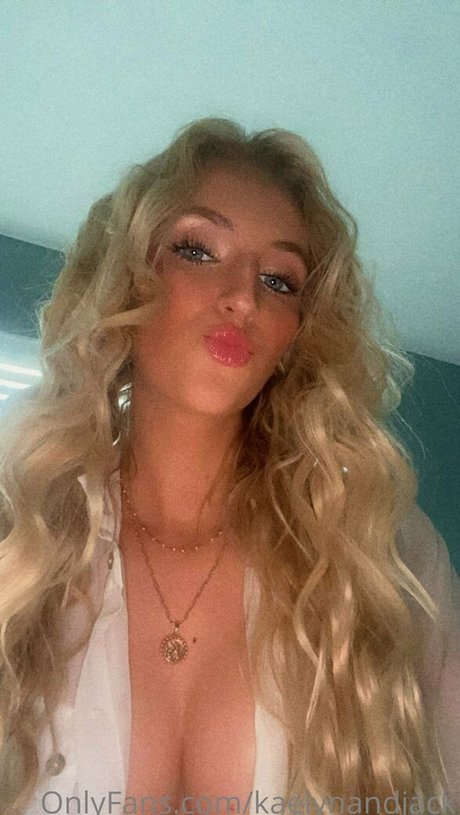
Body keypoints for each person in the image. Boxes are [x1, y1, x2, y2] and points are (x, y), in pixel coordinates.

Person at [0, 117, 458, 815]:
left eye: (280, 279)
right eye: (197, 249)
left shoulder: (381, 555)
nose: (245, 296)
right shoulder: (19, 533)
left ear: (297, 333)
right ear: (127, 280)